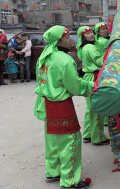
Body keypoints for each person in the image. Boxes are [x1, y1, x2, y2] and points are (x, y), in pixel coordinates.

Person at [34, 25, 93, 189]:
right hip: (61, 106)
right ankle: (70, 180)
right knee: (70, 141)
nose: (71, 41)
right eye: (68, 38)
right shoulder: (65, 60)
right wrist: (91, 86)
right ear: (59, 40)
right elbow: (74, 86)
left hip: (47, 103)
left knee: (52, 141)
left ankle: (53, 172)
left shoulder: (45, 56)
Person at [76, 26, 109, 145]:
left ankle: (88, 134)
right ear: (83, 37)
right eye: (88, 33)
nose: (91, 35)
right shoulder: (91, 48)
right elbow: (101, 62)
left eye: (91, 32)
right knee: (96, 108)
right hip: (94, 77)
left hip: (88, 76)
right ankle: (98, 137)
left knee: (90, 109)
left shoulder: (85, 47)